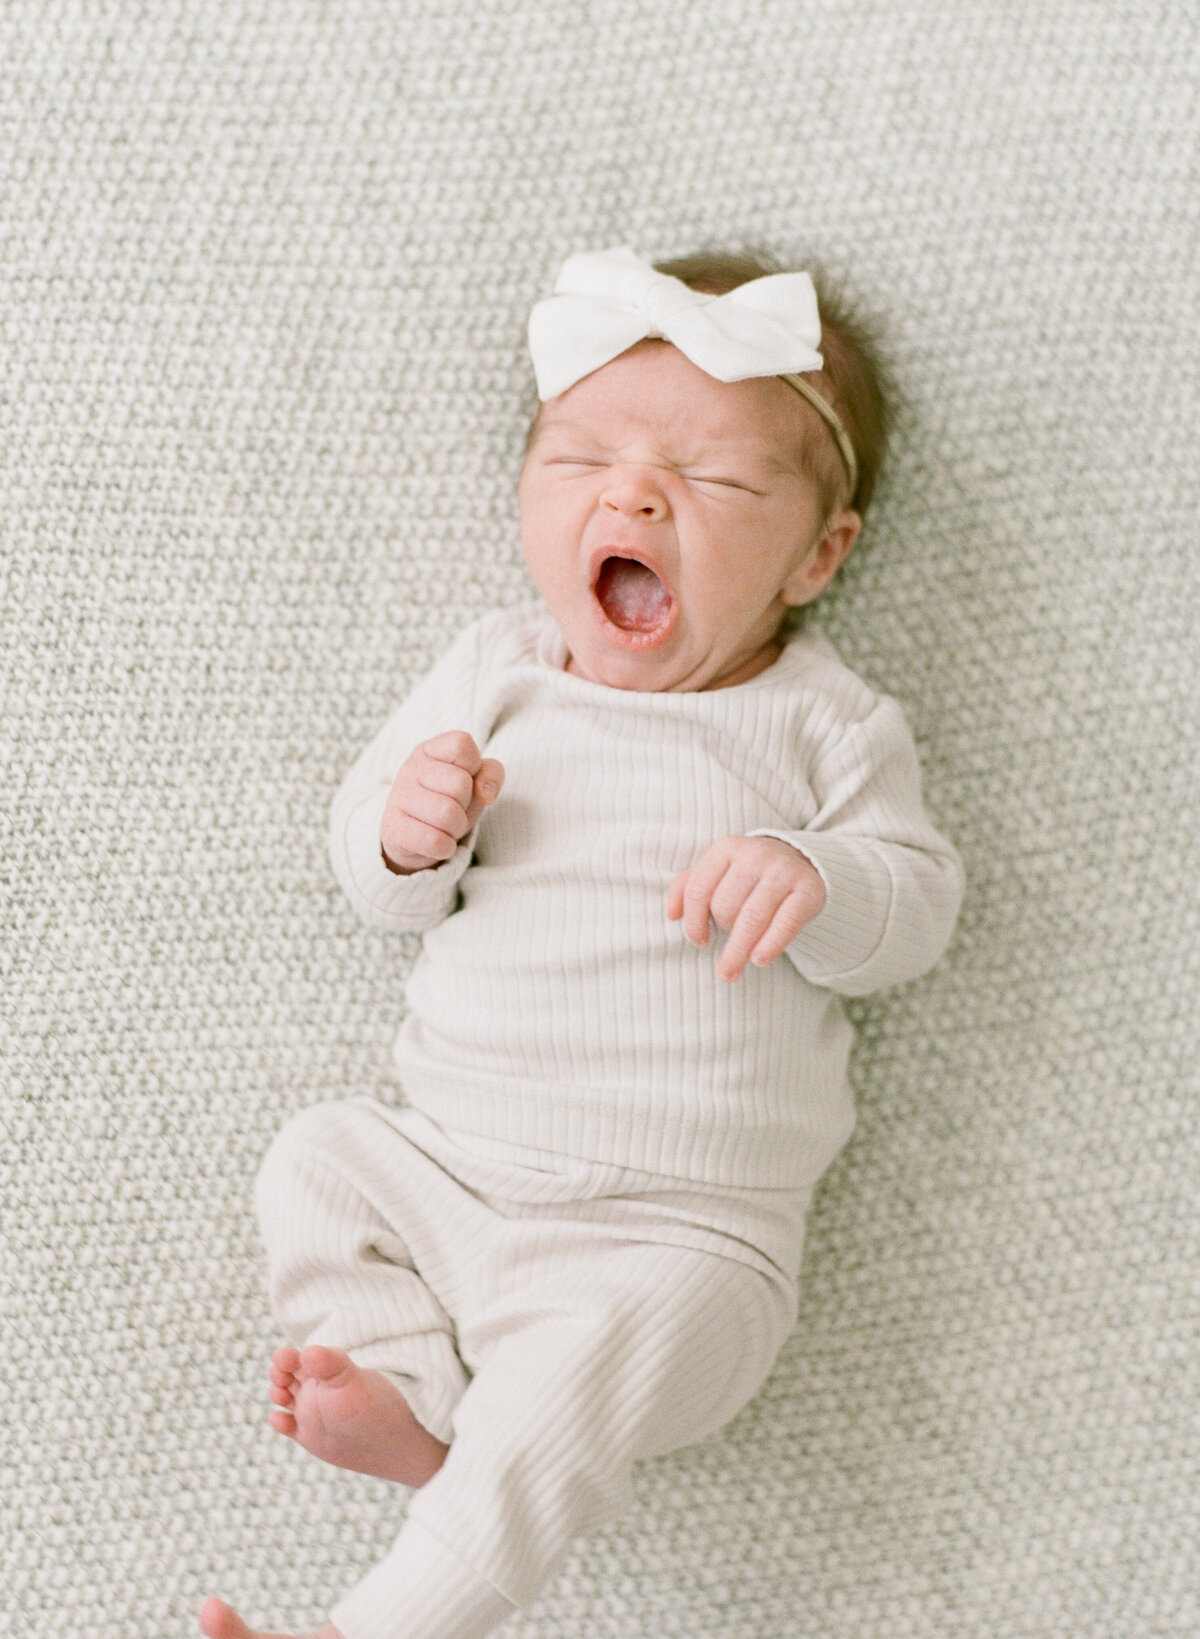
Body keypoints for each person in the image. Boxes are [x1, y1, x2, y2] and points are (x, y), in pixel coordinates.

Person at [200, 246, 965, 1639]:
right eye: (581, 460)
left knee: (587, 1365)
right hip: (453, 1175)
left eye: (715, 480)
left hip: (681, 1248)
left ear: (819, 554)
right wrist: (407, 832)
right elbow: (373, 880)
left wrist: (822, 877)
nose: (634, 492)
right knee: (314, 1158)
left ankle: (377, 1624)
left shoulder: (823, 724)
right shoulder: (496, 673)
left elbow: (918, 911)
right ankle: (423, 1400)